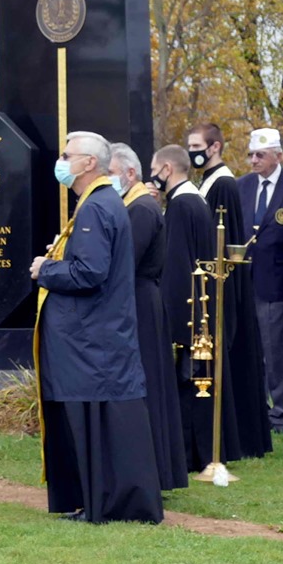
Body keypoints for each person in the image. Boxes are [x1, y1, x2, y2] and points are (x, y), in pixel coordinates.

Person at [29, 131, 162, 524]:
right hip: (96, 339)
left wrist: (46, 269)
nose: (60, 162)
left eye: (66, 155)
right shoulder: (102, 202)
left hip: (89, 340)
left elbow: (89, 272)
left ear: (89, 163)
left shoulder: (95, 207)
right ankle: (97, 501)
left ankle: (101, 503)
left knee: (94, 422)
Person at [185, 121, 269, 459]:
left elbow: (223, 242)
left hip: (221, 286)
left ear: (215, 147)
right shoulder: (206, 181)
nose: (192, 152)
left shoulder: (222, 184)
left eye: (196, 147)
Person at [111, 141, 187, 491]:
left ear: (131, 172)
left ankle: (153, 471)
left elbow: (126, 261)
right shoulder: (135, 204)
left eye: (111, 172)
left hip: (141, 301)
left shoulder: (141, 208)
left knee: (149, 384)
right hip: (139, 299)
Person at [154, 145, 221, 472]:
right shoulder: (195, 199)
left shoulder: (181, 205)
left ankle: (188, 453)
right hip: (201, 304)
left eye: (155, 168)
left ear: (167, 169)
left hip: (188, 308)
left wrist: (172, 317)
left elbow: (177, 265)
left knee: (187, 384)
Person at [239, 127, 283, 434]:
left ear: (278, 156)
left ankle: (282, 413)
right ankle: (256, 410)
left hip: (276, 283)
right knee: (250, 351)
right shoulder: (242, 186)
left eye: (260, 155)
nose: (254, 161)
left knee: (276, 352)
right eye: (251, 155)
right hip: (244, 281)